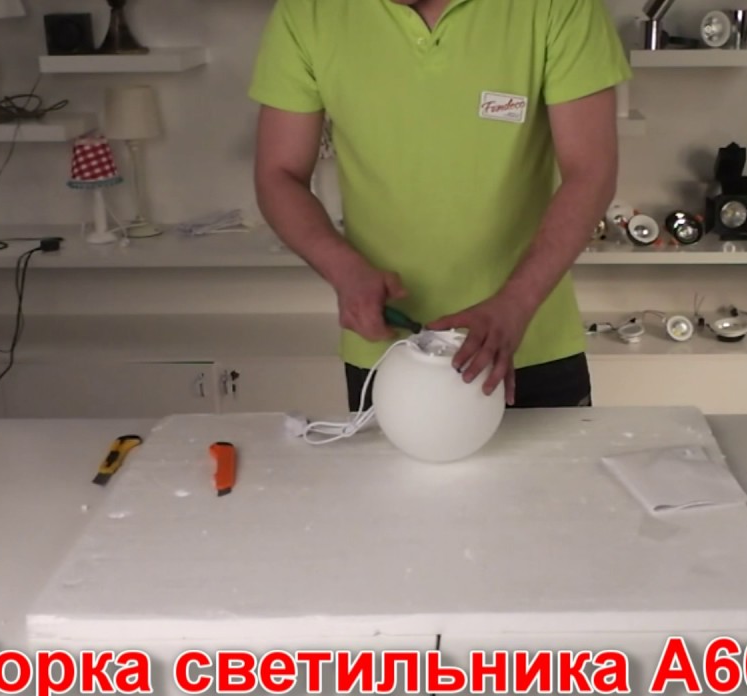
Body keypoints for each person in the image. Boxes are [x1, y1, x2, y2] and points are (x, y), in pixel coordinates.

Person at [249, 0, 631, 411]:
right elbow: (279, 174)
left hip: (531, 342)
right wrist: (343, 269)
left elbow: (591, 171)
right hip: (389, 351)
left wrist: (518, 302)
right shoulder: (306, 12)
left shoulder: (560, 6)